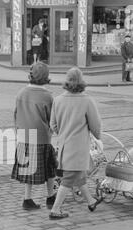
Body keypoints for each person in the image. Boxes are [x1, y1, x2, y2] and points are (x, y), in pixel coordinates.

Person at [50, 67, 102, 220]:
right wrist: (97, 136)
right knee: (69, 178)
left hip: (64, 145)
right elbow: (95, 125)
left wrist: (63, 133)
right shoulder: (86, 100)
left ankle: (91, 201)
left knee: (79, 175)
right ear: (82, 81)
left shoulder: (58, 100)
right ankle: (55, 209)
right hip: (78, 147)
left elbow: (53, 124)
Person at [11, 62, 57, 211]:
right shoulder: (47, 96)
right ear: (46, 78)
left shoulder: (21, 93)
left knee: (27, 170)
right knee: (50, 168)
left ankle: (27, 198)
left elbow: (16, 115)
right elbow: (52, 120)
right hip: (42, 138)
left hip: (24, 137)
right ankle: (51, 196)